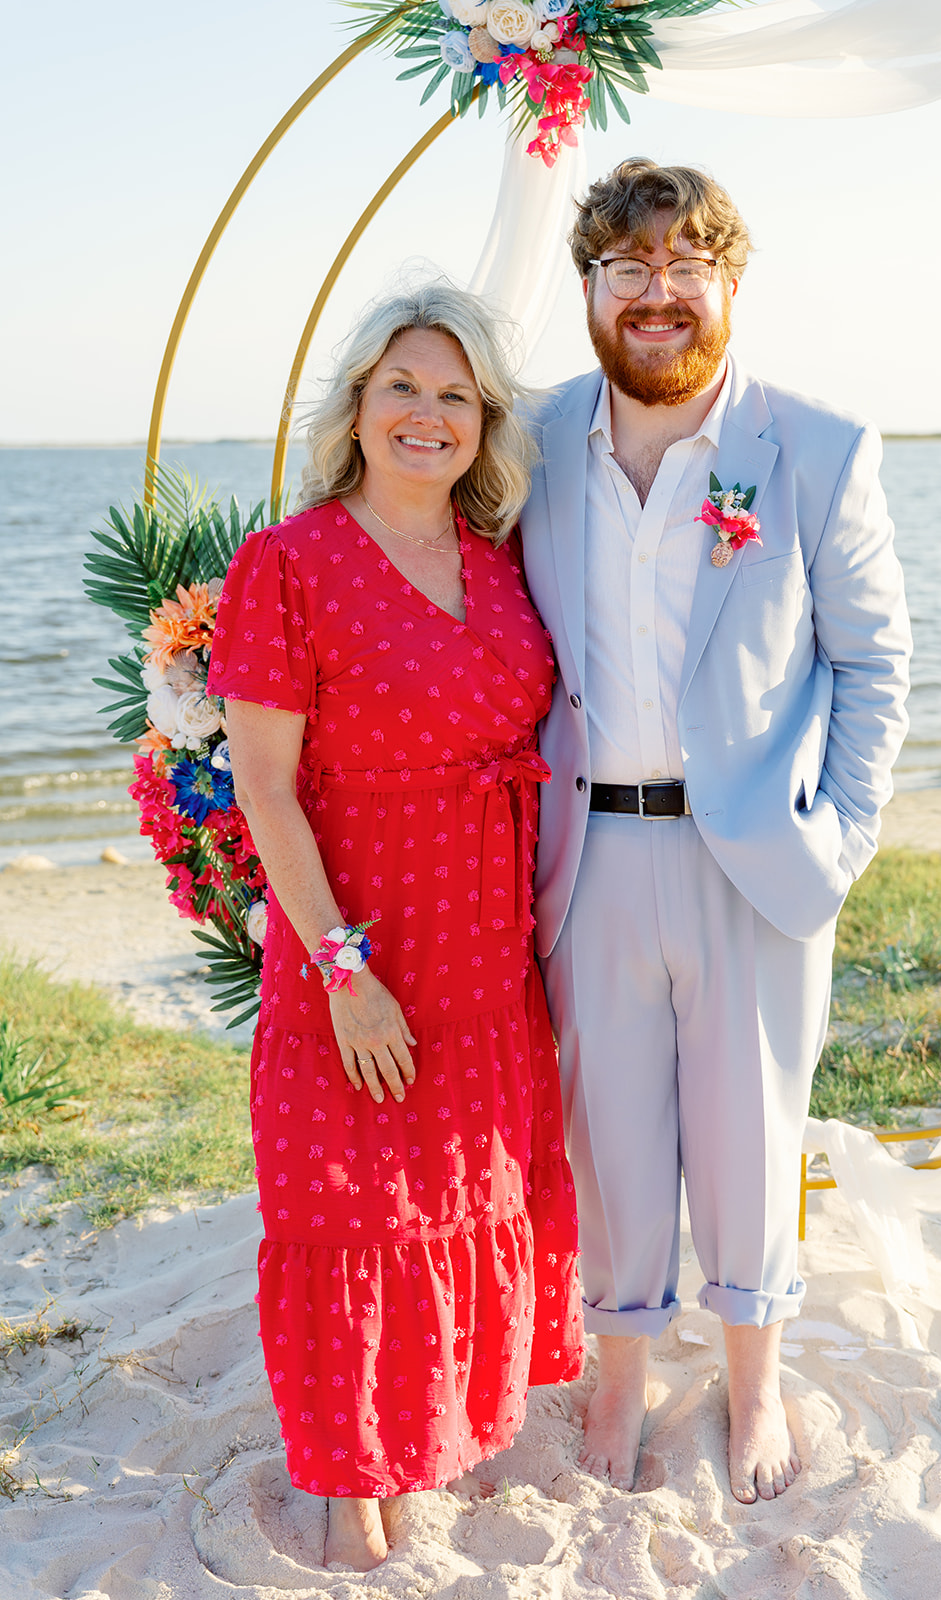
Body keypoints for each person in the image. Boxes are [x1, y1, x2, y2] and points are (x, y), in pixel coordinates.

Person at [519, 159, 911, 1501]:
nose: (658, 294)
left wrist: (839, 841)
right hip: (591, 858)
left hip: (754, 862)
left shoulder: (817, 447)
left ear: (731, 283)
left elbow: (875, 668)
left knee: (752, 1137)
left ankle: (755, 1389)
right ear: (589, 288)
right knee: (610, 1136)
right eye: (628, 268)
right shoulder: (530, 445)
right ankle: (619, 1382)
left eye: (688, 265)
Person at [206, 283, 583, 1572]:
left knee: (460, 1190)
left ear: (486, 422)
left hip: (487, 941)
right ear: (357, 407)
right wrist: (342, 969)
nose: (429, 415)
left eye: (456, 395)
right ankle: (348, 1489)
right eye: (403, 388)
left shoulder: (502, 559)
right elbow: (265, 786)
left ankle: (435, 1433)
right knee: (351, 1203)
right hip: (360, 935)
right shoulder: (292, 563)